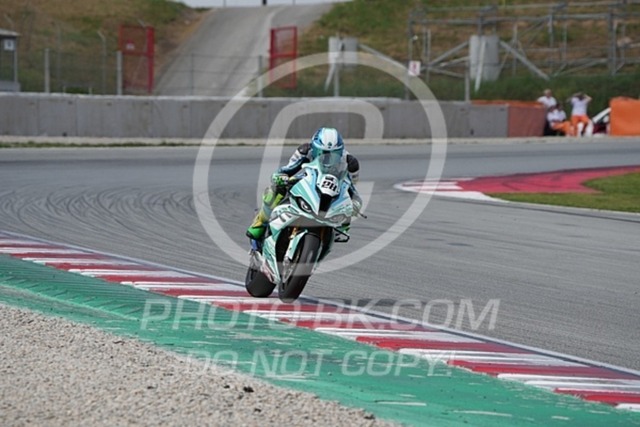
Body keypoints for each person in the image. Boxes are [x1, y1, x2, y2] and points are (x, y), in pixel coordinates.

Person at [246, 127, 362, 241]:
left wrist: (355, 204)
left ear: (341, 151)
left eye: (333, 154)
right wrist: (280, 178)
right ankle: (260, 223)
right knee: (275, 189)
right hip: (307, 180)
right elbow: (288, 169)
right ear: (314, 148)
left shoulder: (349, 162)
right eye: (322, 152)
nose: (327, 158)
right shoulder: (305, 151)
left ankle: (341, 229)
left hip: (331, 187)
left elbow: (351, 188)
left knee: (350, 206)